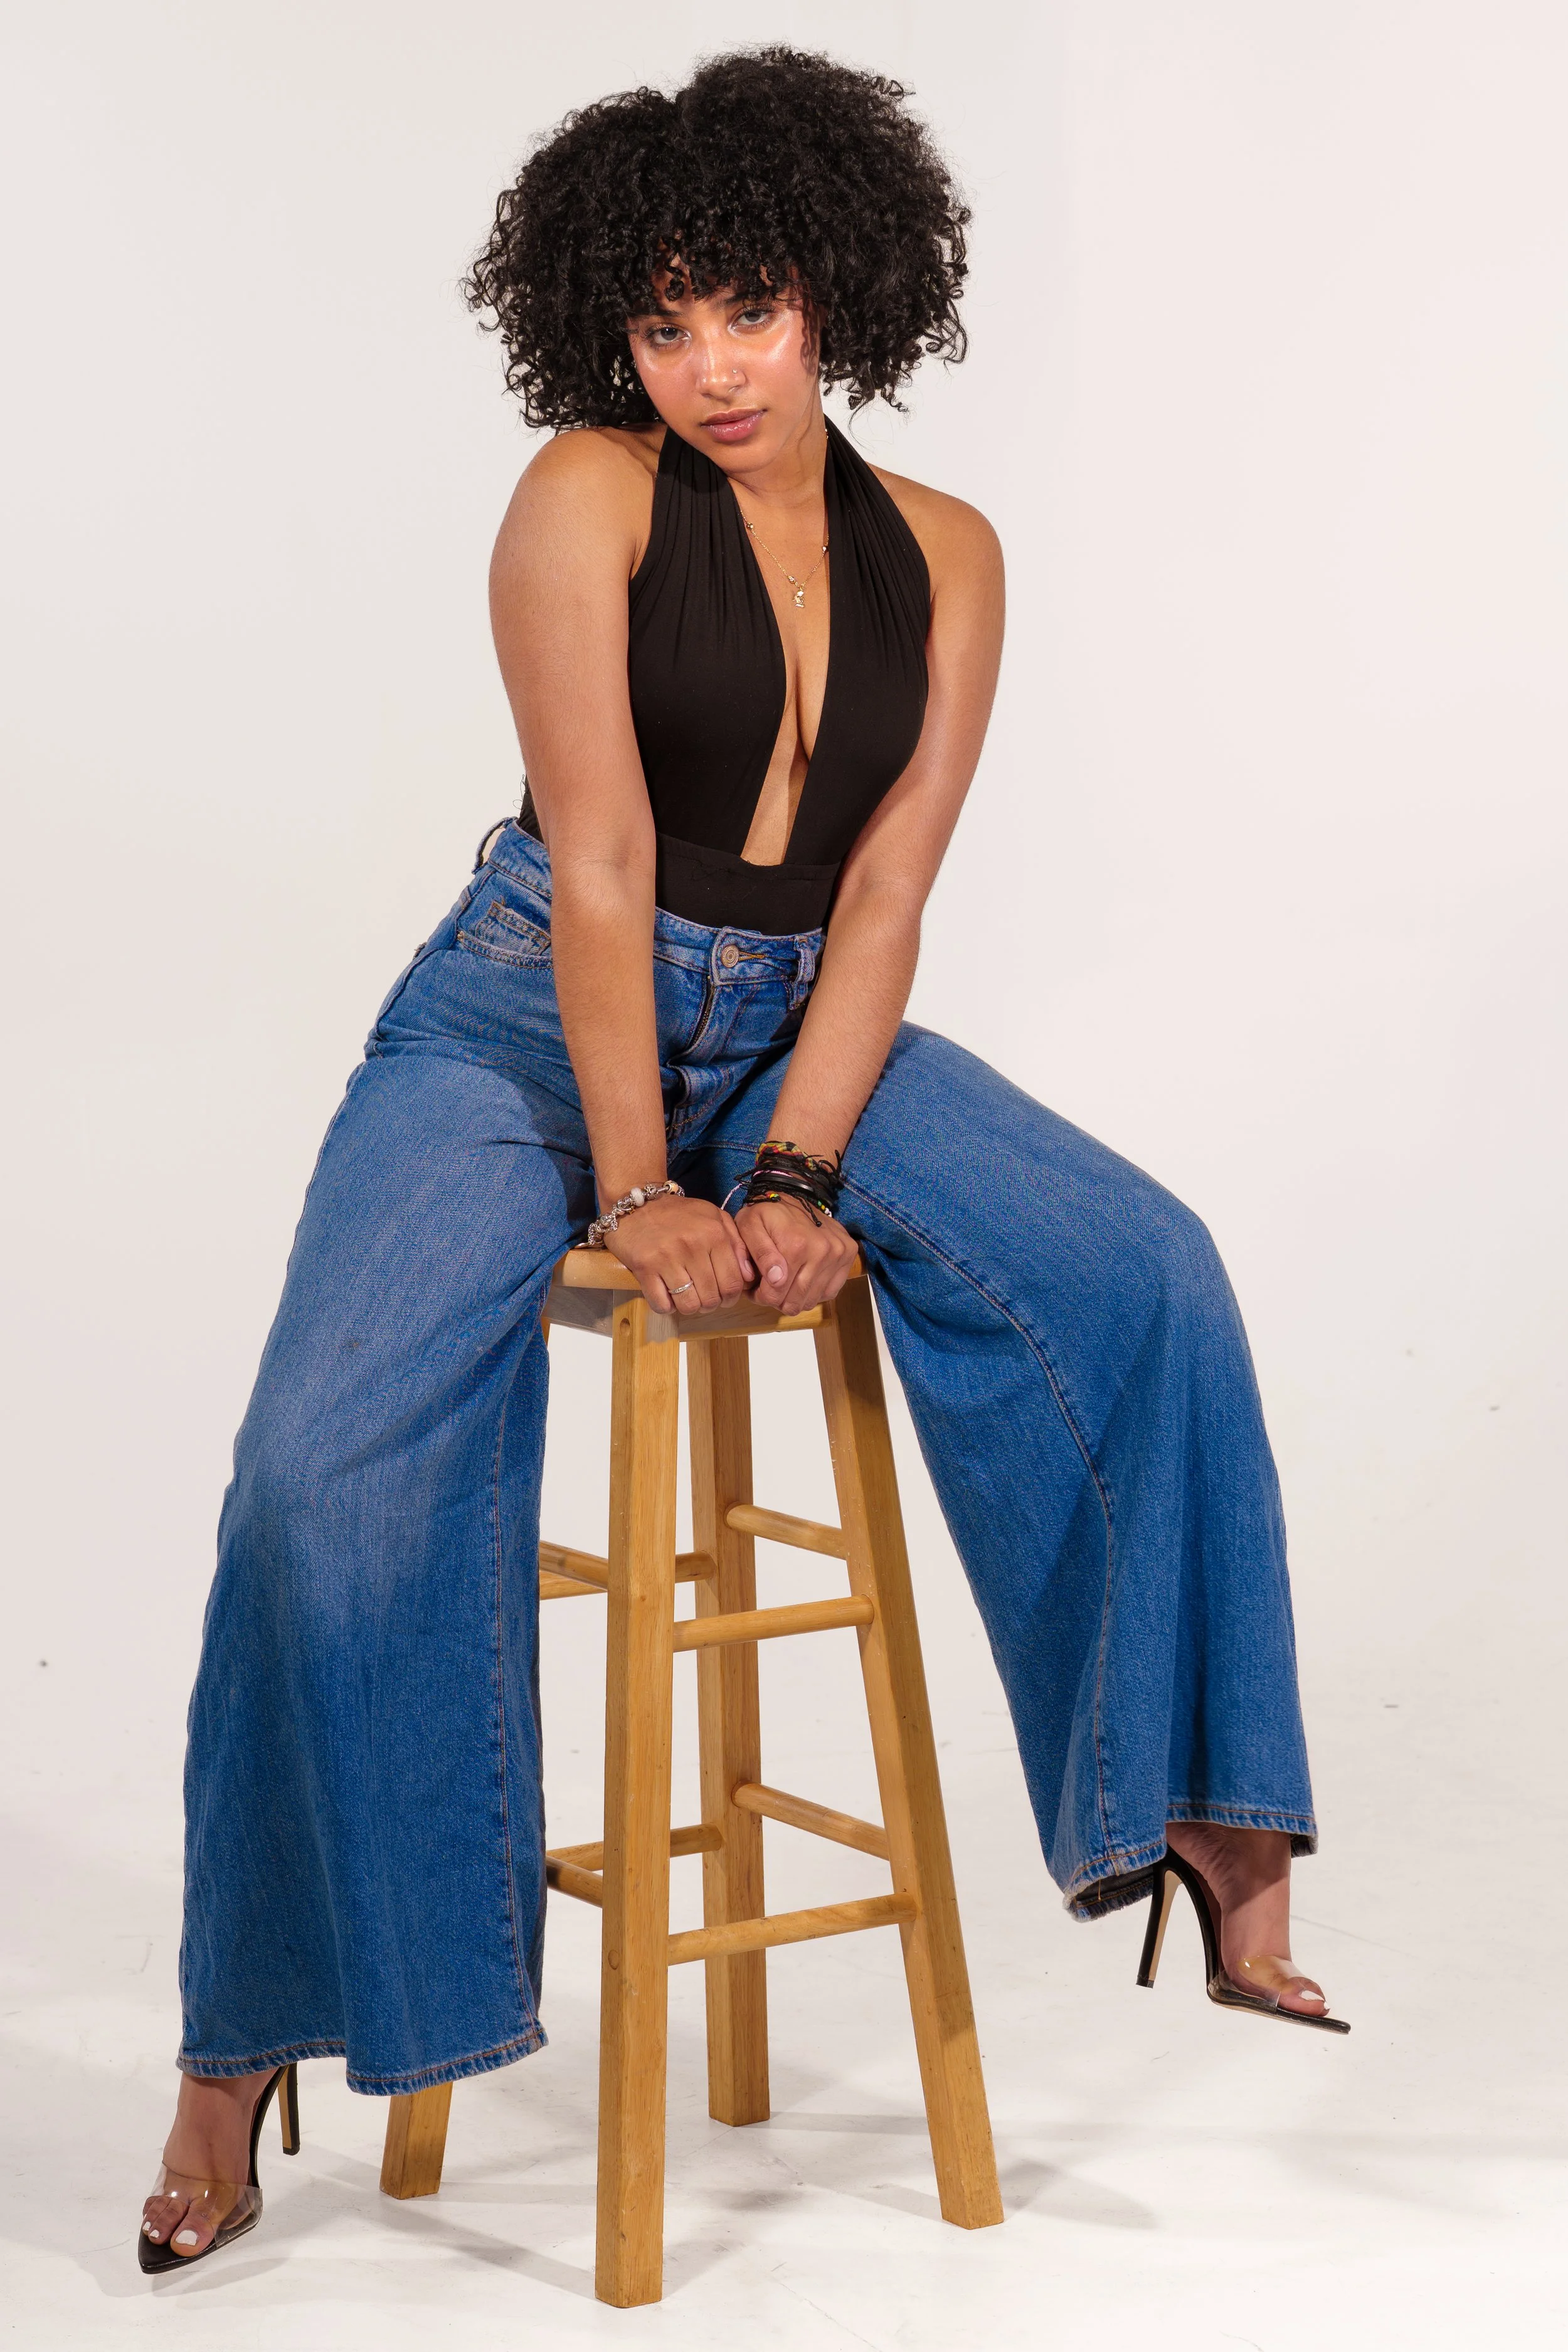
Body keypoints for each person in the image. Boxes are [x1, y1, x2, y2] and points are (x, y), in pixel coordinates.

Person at [140, 45, 1344, 2276]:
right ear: (608, 325)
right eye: (664, 321)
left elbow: (881, 902)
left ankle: (1203, 1809)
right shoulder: (581, 498)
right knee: (316, 1470)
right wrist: (638, 1189)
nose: (707, 368)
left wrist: (789, 1170)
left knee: (1141, 1259)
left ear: (840, 295)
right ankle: (251, 2030)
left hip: (802, 1023)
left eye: (753, 311)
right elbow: (601, 862)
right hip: (521, 1020)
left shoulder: (950, 555)